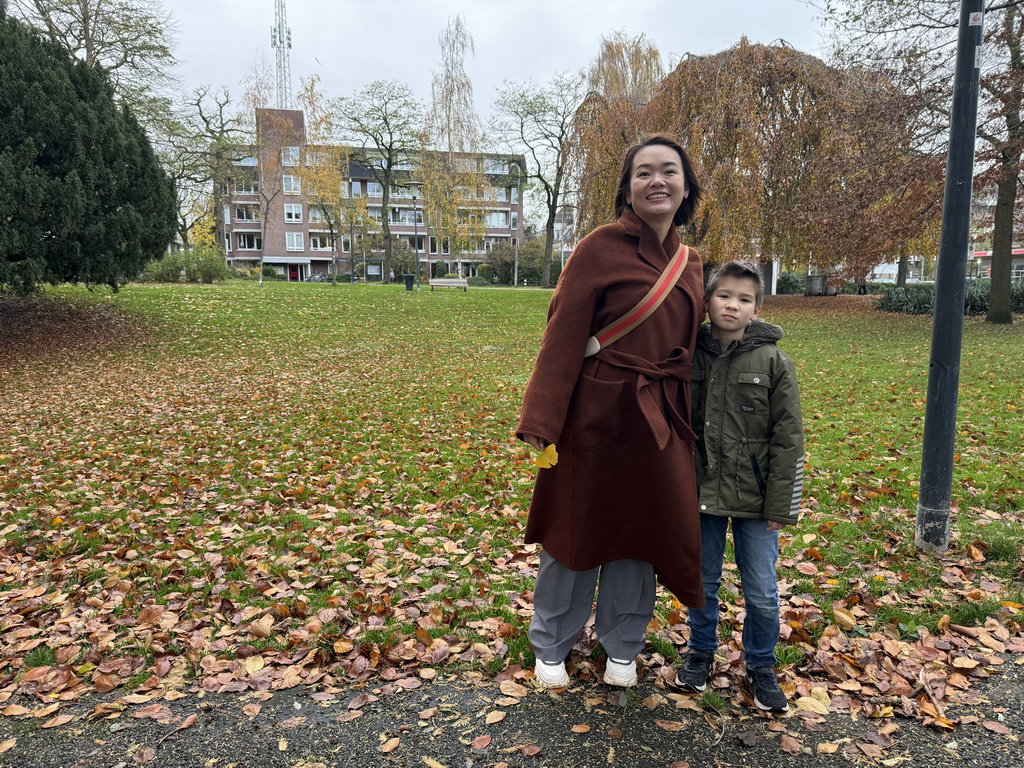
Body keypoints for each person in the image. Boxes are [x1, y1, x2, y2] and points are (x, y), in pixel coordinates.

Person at [516, 134, 706, 689]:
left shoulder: (691, 264)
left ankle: (623, 645)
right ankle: (551, 642)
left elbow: (701, 347)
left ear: (686, 185)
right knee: (575, 532)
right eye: (644, 172)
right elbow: (563, 334)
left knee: (639, 534)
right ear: (627, 187)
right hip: (594, 415)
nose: (657, 182)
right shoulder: (598, 248)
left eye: (669, 171)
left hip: (661, 422)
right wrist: (542, 419)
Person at [673, 260, 804, 713]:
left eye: (744, 299)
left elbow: (789, 437)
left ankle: (762, 666)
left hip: (757, 498)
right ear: (707, 300)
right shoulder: (688, 354)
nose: (732, 305)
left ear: (756, 309)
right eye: (724, 295)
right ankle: (700, 653)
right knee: (702, 580)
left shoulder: (773, 361)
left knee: (762, 590)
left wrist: (781, 504)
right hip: (701, 492)